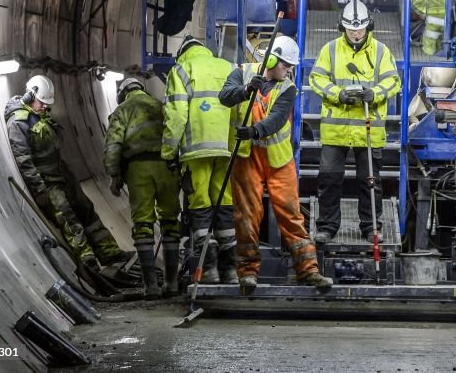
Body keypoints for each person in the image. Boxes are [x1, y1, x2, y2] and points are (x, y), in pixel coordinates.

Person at [219, 37, 333, 294]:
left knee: (291, 215)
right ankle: (247, 274)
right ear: (272, 60)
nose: (290, 70)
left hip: (279, 161)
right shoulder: (241, 72)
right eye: (287, 65)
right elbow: (225, 96)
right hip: (247, 158)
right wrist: (246, 90)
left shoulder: (288, 88)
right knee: (246, 217)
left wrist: (254, 131)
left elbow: (277, 119)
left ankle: (309, 271)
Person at [6, 75, 127, 271]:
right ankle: (88, 262)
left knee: (86, 210)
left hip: (63, 174)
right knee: (68, 219)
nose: (46, 106)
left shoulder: (40, 116)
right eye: (42, 102)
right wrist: (39, 190)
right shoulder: (19, 123)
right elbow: (24, 160)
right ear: (30, 96)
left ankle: (110, 253)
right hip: (48, 182)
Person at [309, 0, 402, 244]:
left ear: (368, 26)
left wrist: (376, 93)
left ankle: (371, 227)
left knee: (370, 182)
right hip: (335, 130)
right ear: (342, 27)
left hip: (368, 130)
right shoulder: (330, 50)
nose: (356, 33)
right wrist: (336, 93)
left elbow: (394, 81)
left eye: (359, 29)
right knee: (328, 180)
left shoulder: (381, 51)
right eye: (351, 29)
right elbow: (316, 78)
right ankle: (327, 227)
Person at [161, 36, 237, 284]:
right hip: (225, 150)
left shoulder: (181, 70)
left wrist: (169, 152)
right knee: (224, 204)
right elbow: (239, 112)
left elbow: (176, 115)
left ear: (182, 52)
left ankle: (210, 268)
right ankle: (231, 270)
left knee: (199, 205)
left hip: (196, 153)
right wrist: (239, 148)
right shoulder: (227, 67)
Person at [103, 78, 181, 298]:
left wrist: (114, 174)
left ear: (122, 93)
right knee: (170, 221)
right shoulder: (161, 106)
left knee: (143, 224)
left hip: (139, 169)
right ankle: (172, 283)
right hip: (168, 166)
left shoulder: (122, 110)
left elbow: (113, 146)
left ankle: (151, 286)